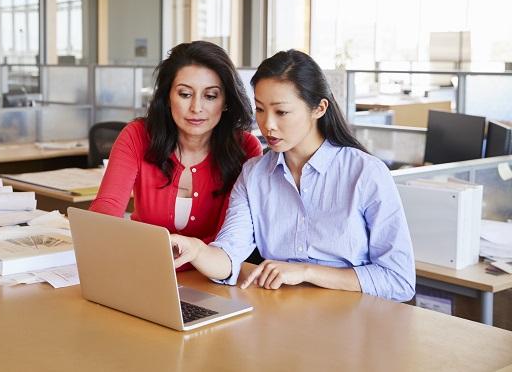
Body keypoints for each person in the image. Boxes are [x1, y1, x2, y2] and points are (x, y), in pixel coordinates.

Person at [170, 49, 416, 301]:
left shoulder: (366, 173)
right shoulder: (254, 175)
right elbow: (229, 256)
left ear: (319, 108)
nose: (268, 125)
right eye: (261, 110)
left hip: (352, 323)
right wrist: (196, 250)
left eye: (282, 112)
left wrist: (307, 272)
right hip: (280, 318)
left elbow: (399, 280)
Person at [90, 41, 262, 251]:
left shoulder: (245, 149)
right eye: (185, 94)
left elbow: (231, 239)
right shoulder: (137, 136)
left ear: (225, 101)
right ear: (168, 97)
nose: (196, 108)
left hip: (212, 276)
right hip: (145, 266)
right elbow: (106, 209)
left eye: (210, 96)